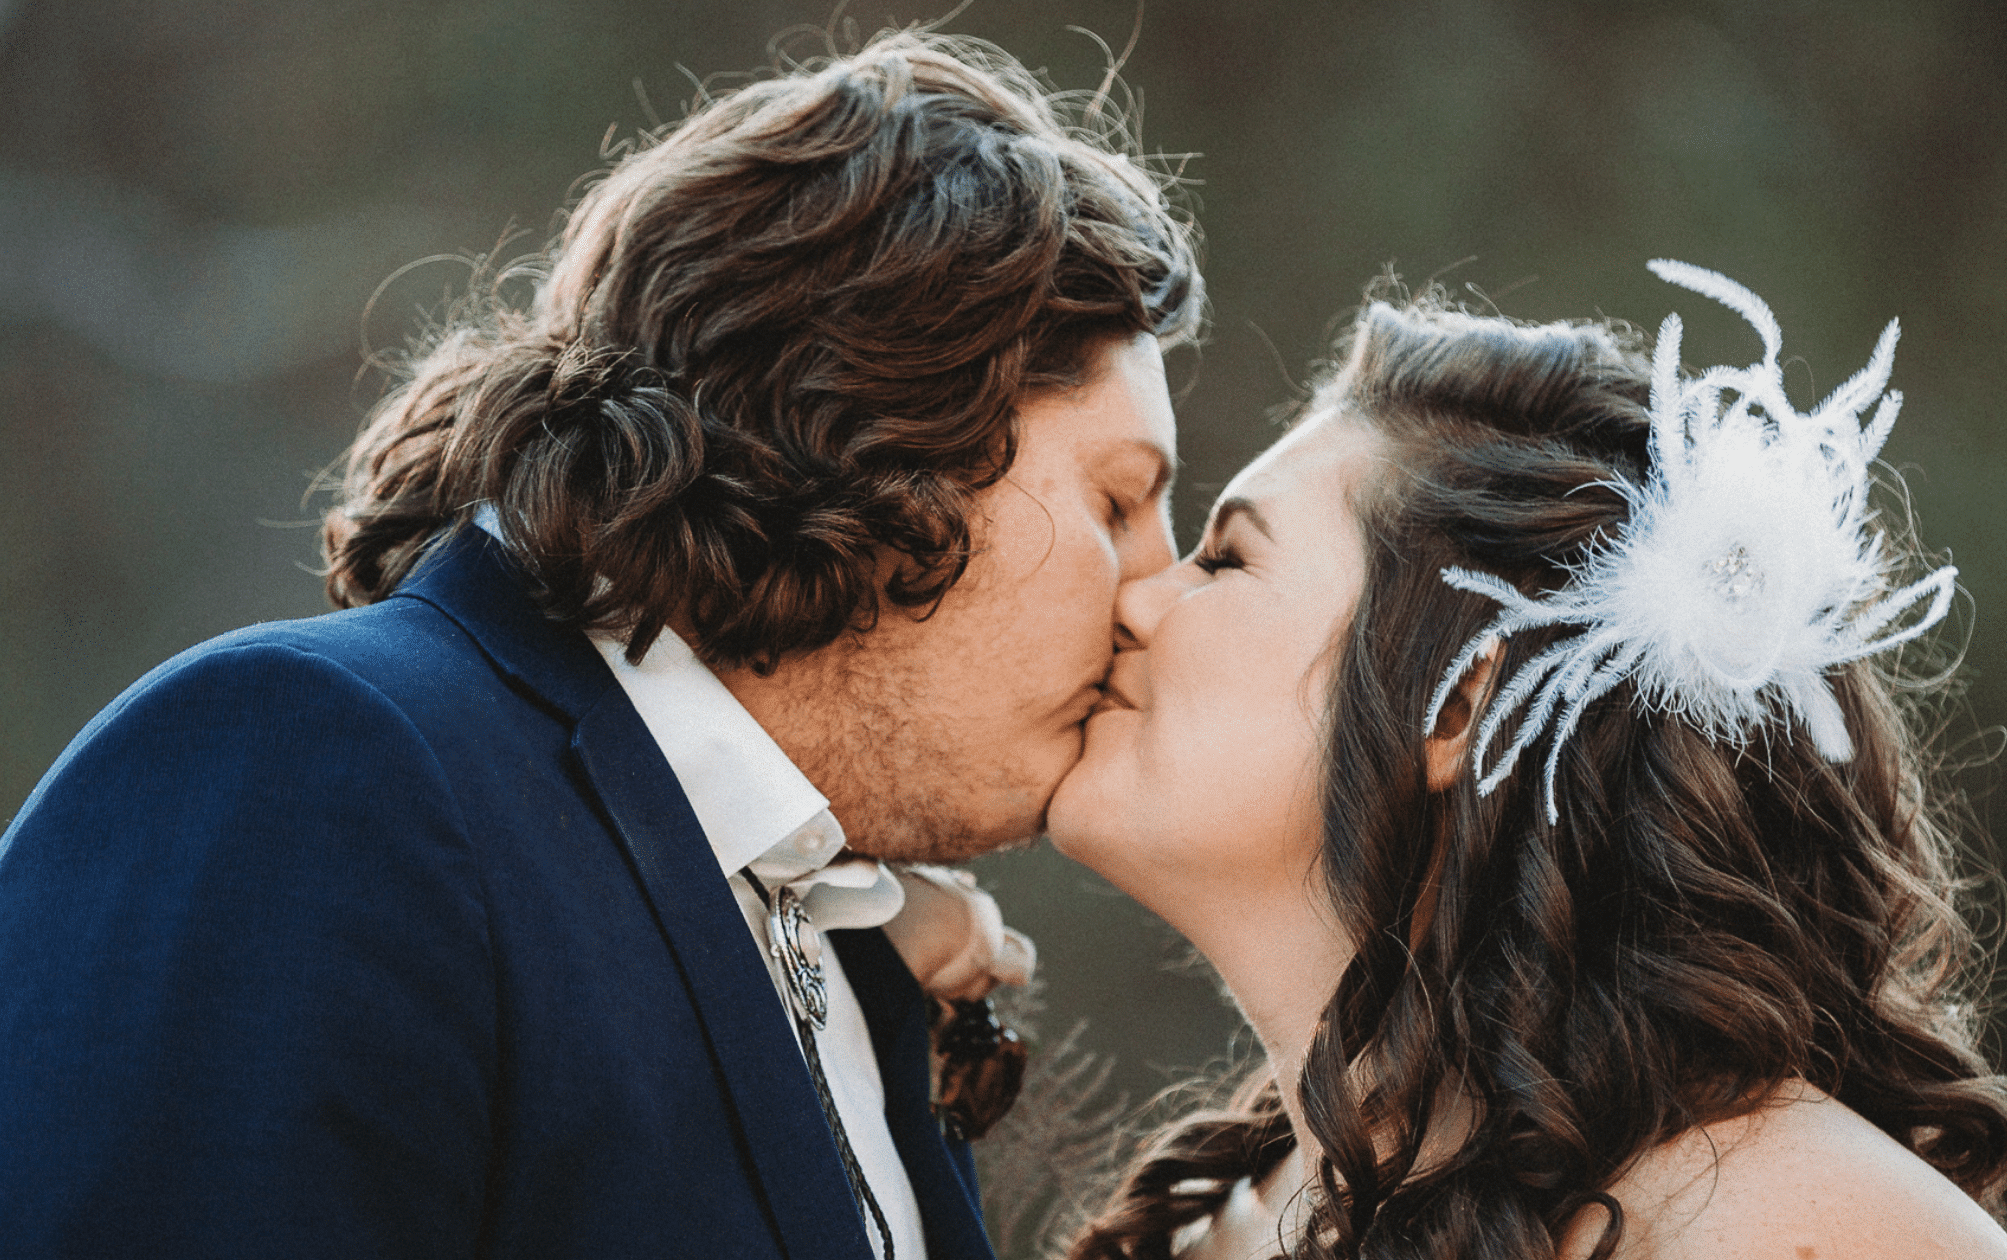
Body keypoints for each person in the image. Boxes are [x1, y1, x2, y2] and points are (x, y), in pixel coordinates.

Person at [0, 29, 1198, 1260]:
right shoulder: (306, 770)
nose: (1156, 593)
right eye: (1115, 501)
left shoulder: (867, 958)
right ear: (881, 438)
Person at [1049, 262, 2007, 1260]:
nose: (1133, 601)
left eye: (1223, 560)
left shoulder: (1805, 1230)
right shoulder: (1220, 1225)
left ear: (1457, 699)